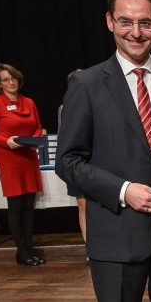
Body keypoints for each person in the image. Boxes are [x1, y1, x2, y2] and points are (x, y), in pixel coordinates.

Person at [55, 0, 151, 302]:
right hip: (114, 238)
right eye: (126, 21)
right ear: (110, 21)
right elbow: (68, 161)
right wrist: (124, 190)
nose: (136, 32)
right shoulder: (85, 85)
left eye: (144, 22)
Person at [0, 63, 45, 266]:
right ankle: (21, 251)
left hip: (29, 157)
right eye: (6, 79)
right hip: (9, 158)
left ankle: (29, 247)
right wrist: (6, 141)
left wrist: (36, 140)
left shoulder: (28, 102)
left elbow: (38, 126)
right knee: (16, 205)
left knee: (30, 204)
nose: (11, 82)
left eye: (13, 79)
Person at [57, 68, 87, 259]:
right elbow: (64, 138)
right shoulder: (64, 107)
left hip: (98, 163)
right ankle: (90, 248)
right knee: (83, 206)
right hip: (77, 162)